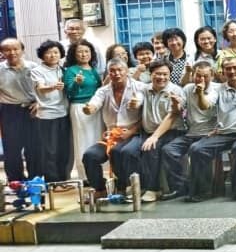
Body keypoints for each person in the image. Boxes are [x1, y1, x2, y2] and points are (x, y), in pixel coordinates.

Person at [185, 57, 236, 202]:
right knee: (197, 149)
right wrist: (200, 93)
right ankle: (203, 191)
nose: (232, 71)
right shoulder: (219, 89)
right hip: (223, 133)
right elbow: (205, 106)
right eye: (228, 69)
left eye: (235, 68)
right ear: (223, 71)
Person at [122, 61, 185, 202]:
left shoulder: (175, 90)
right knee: (128, 151)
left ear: (170, 75)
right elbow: (138, 99)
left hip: (170, 131)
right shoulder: (145, 89)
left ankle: (153, 189)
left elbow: (172, 116)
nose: (161, 77)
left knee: (151, 148)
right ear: (151, 75)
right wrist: (135, 103)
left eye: (165, 74)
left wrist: (155, 136)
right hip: (147, 132)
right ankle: (136, 186)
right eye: (158, 74)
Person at [80, 59, 143, 198]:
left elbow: (141, 103)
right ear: (108, 73)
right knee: (90, 155)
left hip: (134, 133)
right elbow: (94, 103)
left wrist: (131, 131)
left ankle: (123, 187)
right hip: (111, 136)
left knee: (118, 151)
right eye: (112, 71)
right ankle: (100, 189)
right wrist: (89, 108)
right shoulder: (103, 90)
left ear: (127, 71)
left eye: (120, 70)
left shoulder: (139, 87)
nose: (117, 73)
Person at [159, 61, 218, 200]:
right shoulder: (187, 88)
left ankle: (204, 191)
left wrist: (200, 93)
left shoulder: (216, 90)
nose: (201, 79)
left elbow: (205, 105)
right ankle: (180, 187)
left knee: (198, 150)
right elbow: (179, 109)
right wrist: (175, 103)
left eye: (205, 76)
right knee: (169, 150)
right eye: (198, 76)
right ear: (193, 75)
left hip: (210, 134)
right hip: (191, 133)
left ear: (212, 76)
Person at [30, 40, 70, 183]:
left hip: (64, 113)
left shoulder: (63, 70)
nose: (52, 55)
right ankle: (52, 182)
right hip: (47, 116)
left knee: (63, 149)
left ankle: (63, 180)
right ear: (42, 55)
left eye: (56, 52)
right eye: (48, 53)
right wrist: (53, 86)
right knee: (50, 151)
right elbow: (40, 88)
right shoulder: (37, 71)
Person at [0, 38, 38, 183]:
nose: (12, 52)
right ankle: (15, 181)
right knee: (12, 148)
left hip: (32, 109)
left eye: (15, 49)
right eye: (7, 50)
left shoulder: (33, 67)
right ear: (2, 53)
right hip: (10, 111)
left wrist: (39, 103)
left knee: (34, 146)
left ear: (22, 50)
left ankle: (35, 179)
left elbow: (43, 89)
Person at [63, 40, 102, 181]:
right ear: (74, 54)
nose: (84, 54)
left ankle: (99, 174)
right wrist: (76, 83)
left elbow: (100, 90)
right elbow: (69, 92)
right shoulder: (71, 70)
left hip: (95, 108)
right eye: (80, 51)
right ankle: (85, 176)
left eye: (87, 51)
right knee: (83, 141)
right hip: (79, 108)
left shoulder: (93, 70)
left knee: (97, 140)